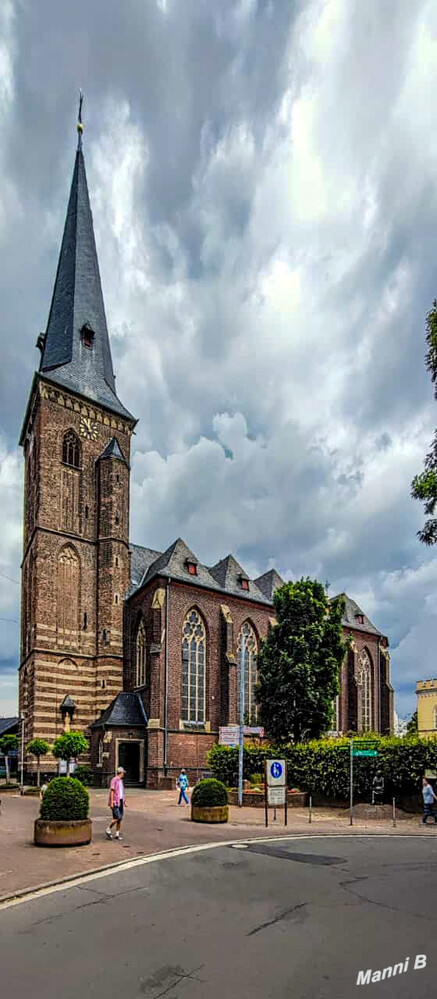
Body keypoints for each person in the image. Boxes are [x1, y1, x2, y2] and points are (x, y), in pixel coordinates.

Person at [106, 766, 126, 840]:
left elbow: (121, 792)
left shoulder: (120, 781)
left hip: (120, 801)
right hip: (115, 802)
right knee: (117, 817)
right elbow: (112, 791)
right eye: (123, 772)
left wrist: (124, 800)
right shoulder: (114, 780)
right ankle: (108, 829)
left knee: (120, 819)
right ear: (121, 773)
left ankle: (117, 834)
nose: (124, 774)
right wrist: (111, 802)